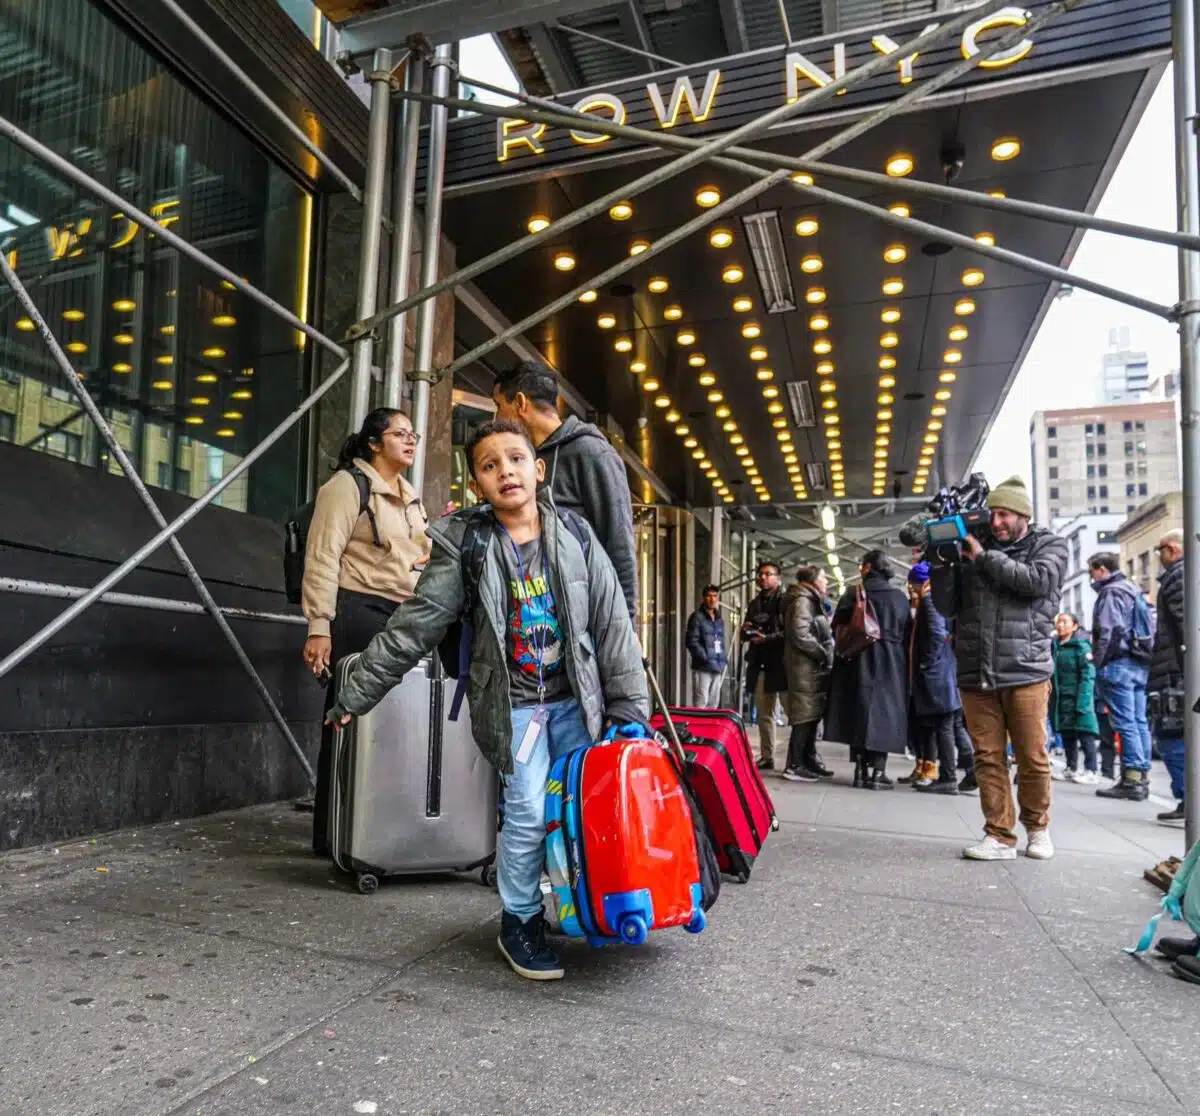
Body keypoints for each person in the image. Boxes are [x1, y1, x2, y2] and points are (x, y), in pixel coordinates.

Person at [326, 419, 647, 981]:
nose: (506, 472)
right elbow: (415, 626)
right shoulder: (467, 544)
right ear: (477, 483)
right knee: (524, 815)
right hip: (515, 707)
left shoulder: (575, 534)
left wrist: (630, 707)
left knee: (580, 811)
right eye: (490, 465)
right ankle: (520, 920)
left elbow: (613, 622)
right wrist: (356, 691)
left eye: (516, 460)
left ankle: (588, 905)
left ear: (538, 469)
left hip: (578, 703)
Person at [302, 407, 430, 856]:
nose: (411, 441)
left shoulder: (410, 495)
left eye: (413, 434)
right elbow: (321, 556)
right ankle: (332, 834)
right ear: (375, 443)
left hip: (403, 615)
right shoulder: (345, 487)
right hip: (356, 608)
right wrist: (320, 625)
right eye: (400, 434)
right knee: (347, 721)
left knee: (392, 725)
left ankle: (375, 829)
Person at [955, 475, 1069, 862]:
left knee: (1031, 756)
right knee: (987, 757)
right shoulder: (974, 548)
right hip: (976, 670)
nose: (996, 522)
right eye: (992, 514)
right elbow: (946, 605)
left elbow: (1036, 581)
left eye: (1004, 514)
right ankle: (999, 835)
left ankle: (1037, 829)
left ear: (1023, 515)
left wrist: (983, 557)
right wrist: (941, 561)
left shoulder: (1050, 545)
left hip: (1026, 670)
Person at [492, 360, 637, 618]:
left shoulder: (591, 453)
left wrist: (625, 623)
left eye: (499, 406)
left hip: (582, 618)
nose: (496, 419)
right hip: (527, 618)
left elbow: (619, 540)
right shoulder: (520, 463)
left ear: (521, 403)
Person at [825, 550, 911, 790]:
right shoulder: (899, 598)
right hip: (891, 661)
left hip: (856, 658)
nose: (860, 568)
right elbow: (907, 631)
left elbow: (837, 628)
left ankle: (860, 770)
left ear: (869, 567)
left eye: (862, 564)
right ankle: (878, 772)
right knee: (885, 713)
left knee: (858, 710)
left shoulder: (853, 594)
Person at [1088, 552, 1154, 802]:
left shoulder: (1111, 592)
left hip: (1118, 664)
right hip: (1138, 663)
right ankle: (1141, 775)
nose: (1090, 577)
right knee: (1138, 722)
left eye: (1091, 571)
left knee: (1125, 723)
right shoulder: (1132, 589)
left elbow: (1109, 630)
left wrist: (1099, 661)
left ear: (1102, 569)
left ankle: (1132, 780)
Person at [905, 562, 964, 795]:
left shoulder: (930, 601)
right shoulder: (938, 599)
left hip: (936, 674)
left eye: (912, 585)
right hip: (943, 672)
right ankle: (948, 774)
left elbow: (937, 634)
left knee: (944, 727)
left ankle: (949, 777)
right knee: (944, 726)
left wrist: (925, 663)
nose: (911, 590)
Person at [781, 566, 834, 782]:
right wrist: (821, 653)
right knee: (804, 716)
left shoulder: (809, 599)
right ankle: (795, 764)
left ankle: (808, 759)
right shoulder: (802, 601)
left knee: (811, 715)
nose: (826, 582)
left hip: (809, 668)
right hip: (804, 667)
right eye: (823, 577)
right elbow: (799, 633)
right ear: (812, 581)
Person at [1148, 530, 1186, 823]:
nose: (1158, 557)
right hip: (1180, 671)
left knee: (1171, 735)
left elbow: (1189, 625)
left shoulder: (1178, 577)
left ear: (1172, 549)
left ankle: (1190, 799)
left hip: (1177, 674)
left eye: (1159, 550)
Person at [741, 562, 788, 771]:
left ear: (778, 577)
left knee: (794, 714)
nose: (763, 578)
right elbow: (745, 632)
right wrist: (747, 630)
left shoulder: (786, 601)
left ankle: (799, 758)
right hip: (761, 663)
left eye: (768, 574)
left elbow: (792, 632)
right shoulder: (754, 604)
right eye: (760, 574)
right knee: (764, 713)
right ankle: (767, 756)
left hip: (783, 664)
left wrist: (767, 638)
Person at [1050, 613, 1100, 785]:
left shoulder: (1081, 647)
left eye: (1065, 622)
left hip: (1079, 697)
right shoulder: (1055, 646)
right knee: (1067, 733)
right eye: (1058, 622)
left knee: (1086, 732)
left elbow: (1088, 674)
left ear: (1075, 626)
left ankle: (1091, 770)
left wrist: (1084, 699)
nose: (1060, 625)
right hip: (1061, 699)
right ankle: (1071, 768)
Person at [686, 585, 727, 708]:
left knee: (713, 703)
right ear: (704, 598)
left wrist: (724, 660)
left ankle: (710, 727)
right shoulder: (697, 617)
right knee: (701, 701)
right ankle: (699, 727)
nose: (712, 599)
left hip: (718, 666)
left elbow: (721, 641)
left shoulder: (719, 619)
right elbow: (691, 641)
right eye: (709, 596)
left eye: (715, 596)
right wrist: (705, 657)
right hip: (703, 667)